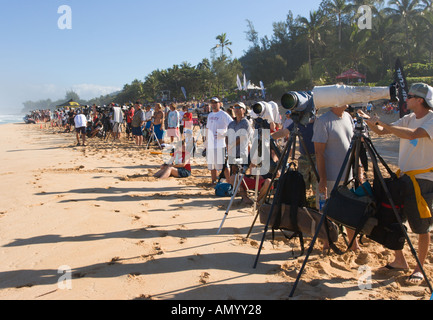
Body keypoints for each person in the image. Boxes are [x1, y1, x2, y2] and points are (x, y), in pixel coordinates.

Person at [365, 83, 433, 284]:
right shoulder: (408, 118)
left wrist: (384, 125)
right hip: (403, 177)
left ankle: (419, 268)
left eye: (410, 96)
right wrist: (370, 122)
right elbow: (382, 132)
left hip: (423, 180)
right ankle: (400, 260)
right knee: (392, 218)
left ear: (420, 100)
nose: (407, 99)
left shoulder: (431, 118)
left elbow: (412, 134)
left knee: (421, 226)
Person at [312, 104, 360, 251]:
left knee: (349, 210)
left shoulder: (348, 117)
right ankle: (327, 242)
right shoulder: (323, 121)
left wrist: (358, 170)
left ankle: (353, 244)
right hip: (331, 175)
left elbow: (353, 146)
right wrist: (323, 179)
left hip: (347, 174)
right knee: (326, 211)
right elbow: (319, 152)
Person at [205, 97, 233, 184]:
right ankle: (214, 181)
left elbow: (232, 126)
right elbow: (207, 128)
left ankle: (229, 182)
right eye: (212, 103)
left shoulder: (223, 114)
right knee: (211, 164)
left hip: (220, 144)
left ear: (220, 103)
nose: (213, 104)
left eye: (215, 103)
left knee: (224, 165)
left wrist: (224, 134)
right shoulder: (210, 115)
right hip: (210, 143)